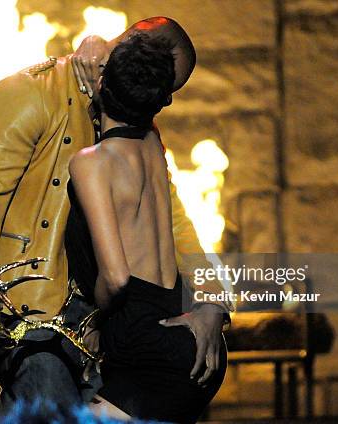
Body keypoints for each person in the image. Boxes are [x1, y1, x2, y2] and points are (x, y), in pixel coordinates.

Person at [0, 16, 231, 410]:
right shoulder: (27, 94)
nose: (161, 101)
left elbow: (174, 219)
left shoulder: (138, 122)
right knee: (52, 398)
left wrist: (213, 301)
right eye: (164, 86)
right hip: (28, 310)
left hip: (102, 324)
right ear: (134, 50)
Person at [67, 33, 226, 423]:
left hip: (146, 352)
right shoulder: (154, 143)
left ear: (102, 83)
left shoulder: (91, 163)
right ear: (161, 100)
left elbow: (117, 278)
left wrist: (95, 321)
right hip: (194, 344)